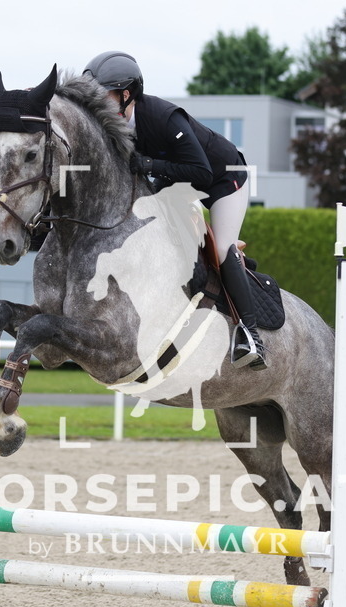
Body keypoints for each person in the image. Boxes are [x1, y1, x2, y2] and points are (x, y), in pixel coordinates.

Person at [83, 50, 267, 371]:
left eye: (104, 97)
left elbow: (201, 173)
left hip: (222, 178)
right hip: (176, 181)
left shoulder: (165, 118)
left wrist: (151, 163)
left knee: (222, 248)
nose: (98, 106)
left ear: (126, 95)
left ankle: (250, 334)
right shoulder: (114, 124)